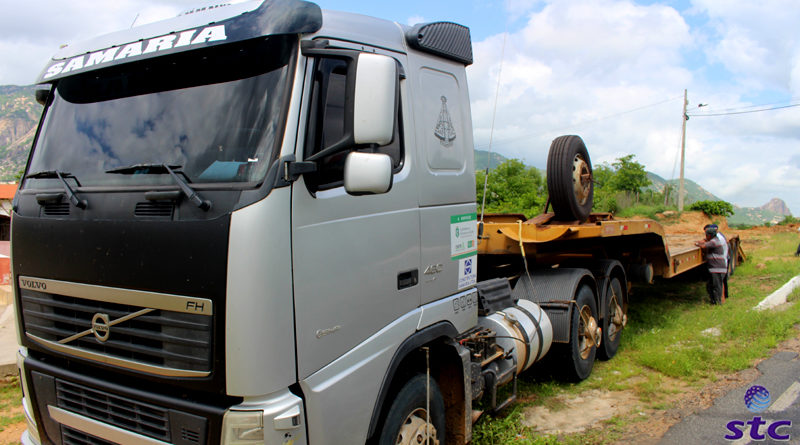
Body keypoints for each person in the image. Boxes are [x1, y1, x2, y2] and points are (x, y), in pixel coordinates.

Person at [695, 224, 728, 304]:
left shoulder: (714, 242)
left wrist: (697, 244)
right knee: (712, 285)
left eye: (706, 235)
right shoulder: (715, 240)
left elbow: (703, 246)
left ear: (710, 235)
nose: (706, 236)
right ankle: (715, 301)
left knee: (716, 286)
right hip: (717, 268)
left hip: (717, 268)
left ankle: (717, 302)